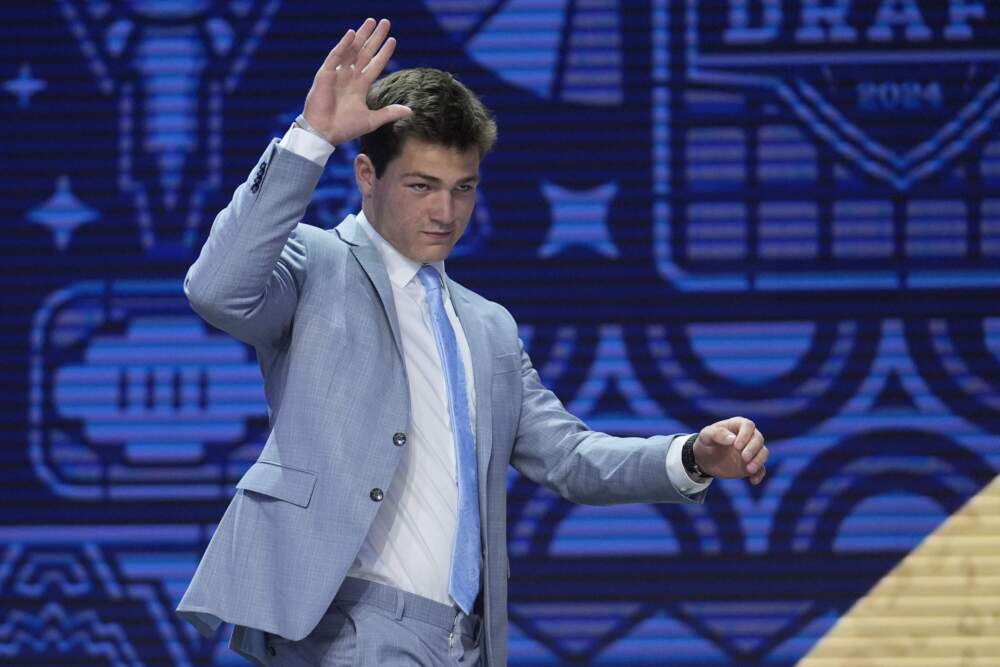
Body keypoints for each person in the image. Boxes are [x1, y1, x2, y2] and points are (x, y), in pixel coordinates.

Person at [176, 17, 768, 667]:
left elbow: (568, 457)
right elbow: (217, 288)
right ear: (367, 176)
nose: (445, 212)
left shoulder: (488, 326)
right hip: (347, 624)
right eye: (422, 185)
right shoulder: (316, 263)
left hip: (465, 641)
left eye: (464, 188)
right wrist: (310, 137)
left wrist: (691, 456)